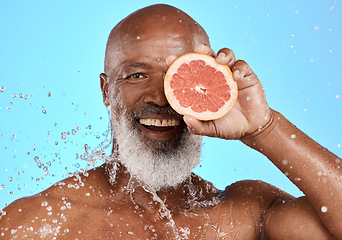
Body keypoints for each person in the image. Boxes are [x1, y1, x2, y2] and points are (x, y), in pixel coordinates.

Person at [0, 4, 341, 239]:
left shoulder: (247, 213)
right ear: (106, 91)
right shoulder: (40, 223)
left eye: (177, 76)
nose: (160, 98)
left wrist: (265, 128)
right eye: (136, 75)